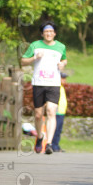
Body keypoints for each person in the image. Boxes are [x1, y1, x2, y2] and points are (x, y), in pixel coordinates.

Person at [20, 21, 67, 155]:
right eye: (46, 31)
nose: (49, 33)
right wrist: (34, 57)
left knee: (52, 111)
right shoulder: (35, 45)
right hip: (39, 83)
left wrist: (62, 64)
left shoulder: (61, 46)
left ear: (55, 33)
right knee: (39, 114)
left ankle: (50, 144)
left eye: (51, 31)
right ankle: (40, 137)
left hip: (54, 83)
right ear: (42, 34)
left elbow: (64, 59)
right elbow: (23, 61)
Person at [51, 72, 68, 152]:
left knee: (58, 130)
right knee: (56, 129)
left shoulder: (62, 87)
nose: (64, 80)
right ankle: (53, 145)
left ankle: (56, 145)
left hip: (61, 112)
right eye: (63, 78)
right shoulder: (56, 87)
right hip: (57, 111)